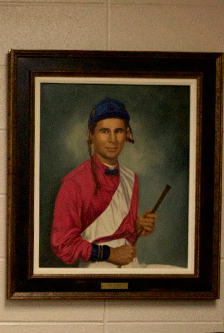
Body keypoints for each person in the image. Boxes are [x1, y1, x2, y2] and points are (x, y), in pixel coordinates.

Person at [49, 97, 157, 268]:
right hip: (95, 268)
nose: (112, 139)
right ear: (91, 135)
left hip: (130, 265)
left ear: (127, 134)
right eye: (105, 131)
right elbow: (63, 245)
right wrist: (110, 254)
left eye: (119, 131)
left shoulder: (131, 178)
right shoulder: (73, 183)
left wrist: (137, 227)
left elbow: (121, 233)